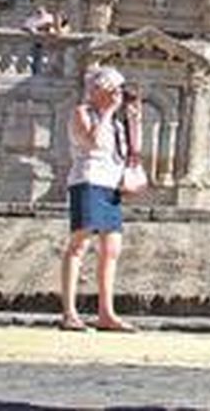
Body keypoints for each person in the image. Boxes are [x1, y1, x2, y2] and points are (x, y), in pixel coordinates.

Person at [60, 64, 141, 332]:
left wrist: (133, 121)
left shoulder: (116, 123)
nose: (117, 95)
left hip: (111, 185)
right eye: (112, 89)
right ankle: (69, 313)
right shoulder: (81, 113)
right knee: (79, 246)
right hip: (87, 179)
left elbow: (131, 153)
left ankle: (106, 313)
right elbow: (91, 142)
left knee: (111, 250)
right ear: (97, 90)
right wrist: (106, 113)